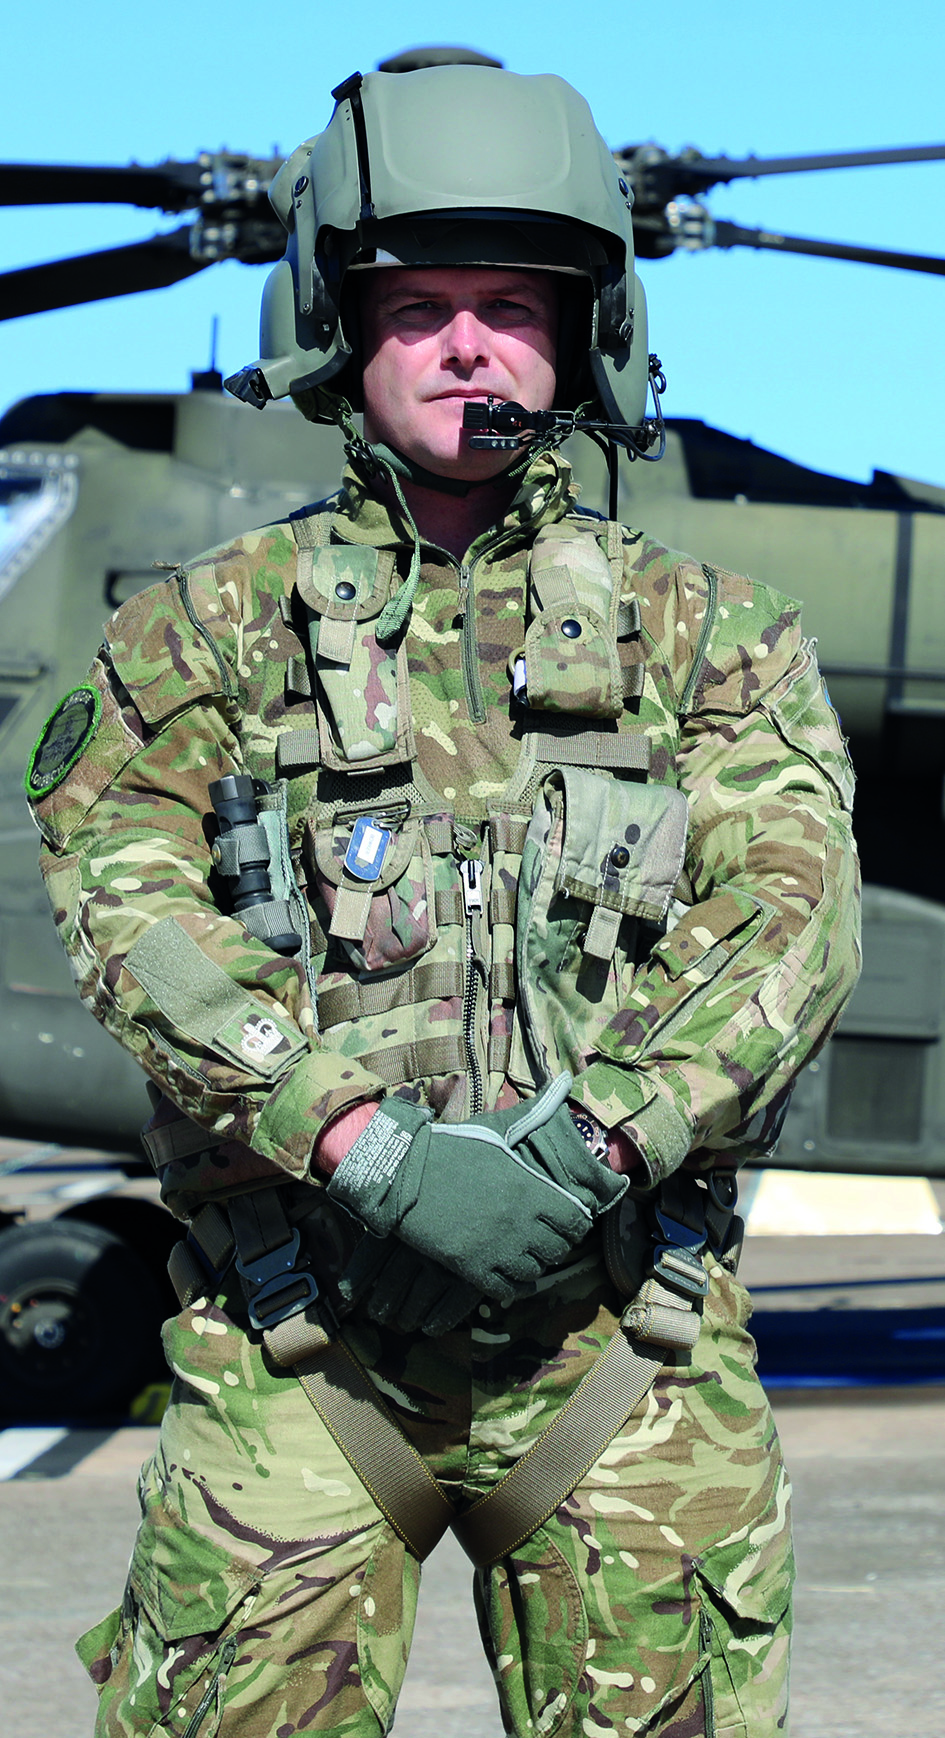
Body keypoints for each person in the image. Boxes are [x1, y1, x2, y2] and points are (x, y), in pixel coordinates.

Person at [27, 63, 859, 1738]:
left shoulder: (718, 636)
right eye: (419, 308)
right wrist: (355, 1141)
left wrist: (596, 1144)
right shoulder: (200, 633)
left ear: (584, 335)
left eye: (510, 307)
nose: (468, 346)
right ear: (342, 330)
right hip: (299, 1348)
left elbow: (794, 912)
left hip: (629, 1351)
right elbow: (127, 899)